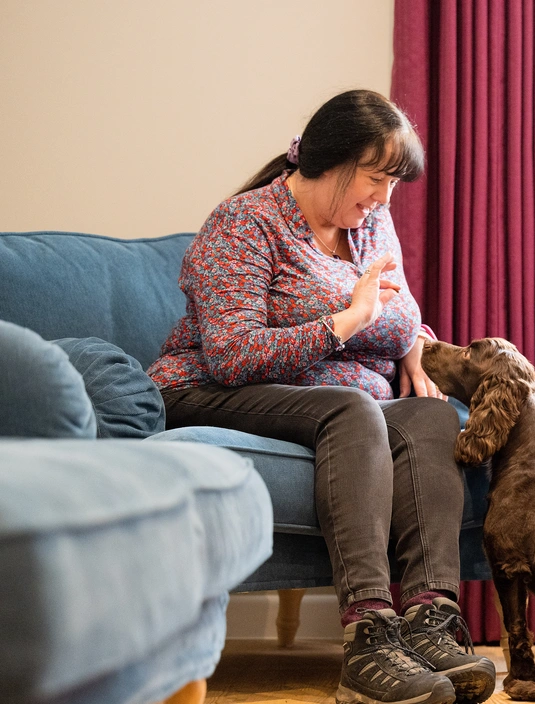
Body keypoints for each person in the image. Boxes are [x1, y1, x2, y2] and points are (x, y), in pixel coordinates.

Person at [147, 89, 495, 704]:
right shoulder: (244, 224)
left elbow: (402, 311)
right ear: (330, 161)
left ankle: (428, 619)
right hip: (209, 389)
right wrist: (346, 322)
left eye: (393, 183)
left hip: (332, 402)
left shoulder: (369, 225)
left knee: (431, 418)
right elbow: (231, 355)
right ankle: (368, 634)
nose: (386, 198)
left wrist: (414, 345)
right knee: (352, 406)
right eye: (376, 178)